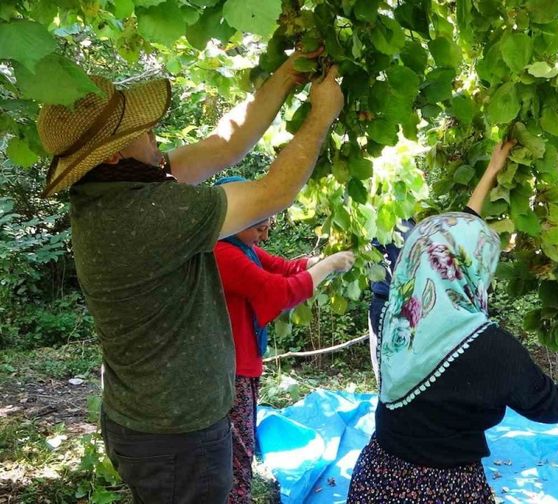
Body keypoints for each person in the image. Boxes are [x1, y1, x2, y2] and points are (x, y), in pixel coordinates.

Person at [35, 48, 344, 503]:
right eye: (141, 130)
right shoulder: (148, 213)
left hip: (149, 425)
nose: (154, 133)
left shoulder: (113, 190)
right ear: (115, 154)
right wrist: (322, 115)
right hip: (178, 439)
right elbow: (273, 191)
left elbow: (225, 144)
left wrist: (285, 76)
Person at [346, 148, 558, 504]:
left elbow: (446, 244)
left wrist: (491, 170)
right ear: (476, 269)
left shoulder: (399, 322)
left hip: (378, 479)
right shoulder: (492, 351)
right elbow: (548, 406)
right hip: (448, 490)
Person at [212, 176, 356, 503]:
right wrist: (327, 267)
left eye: (266, 227)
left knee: (240, 446)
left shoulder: (241, 246)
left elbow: (285, 268)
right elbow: (279, 291)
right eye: (258, 228)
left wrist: (316, 263)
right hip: (228, 370)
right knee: (238, 452)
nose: (263, 235)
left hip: (241, 364)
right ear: (235, 217)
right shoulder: (222, 253)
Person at [366, 140, 515, 381]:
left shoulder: (418, 229)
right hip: (389, 310)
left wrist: (493, 169)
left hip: (423, 310)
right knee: (395, 382)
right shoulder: (381, 221)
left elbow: (468, 219)